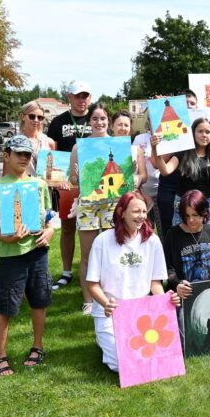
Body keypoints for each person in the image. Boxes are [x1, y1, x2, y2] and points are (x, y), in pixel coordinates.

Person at [0, 136, 54, 376]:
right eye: (18, 154)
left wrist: (50, 231)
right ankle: (0, 355)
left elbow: (50, 217)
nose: (24, 158)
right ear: (6, 155)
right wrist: (7, 238)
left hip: (38, 252)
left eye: (27, 155)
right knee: (6, 304)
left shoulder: (40, 184)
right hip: (11, 255)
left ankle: (38, 346)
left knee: (39, 299)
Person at [84, 192, 179, 372]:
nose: (142, 216)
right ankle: (108, 339)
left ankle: (119, 341)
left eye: (144, 211)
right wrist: (106, 304)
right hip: (110, 312)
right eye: (136, 211)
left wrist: (165, 299)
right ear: (122, 212)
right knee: (122, 365)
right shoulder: (102, 241)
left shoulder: (153, 241)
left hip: (141, 312)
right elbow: (92, 284)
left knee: (157, 358)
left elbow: (155, 284)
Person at [69, 103, 133, 315]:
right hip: (88, 205)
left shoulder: (119, 145)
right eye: (95, 119)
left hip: (113, 205)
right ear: (89, 122)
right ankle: (88, 299)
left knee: (112, 251)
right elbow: (73, 181)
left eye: (103, 119)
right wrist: (76, 176)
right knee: (88, 254)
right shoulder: (79, 148)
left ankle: (111, 294)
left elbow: (126, 177)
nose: (99, 123)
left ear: (108, 121)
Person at [46, 81, 92, 291]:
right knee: (67, 228)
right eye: (77, 96)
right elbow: (51, 153)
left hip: (92, 183)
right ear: (69, 98)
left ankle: (92, 270)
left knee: (94, 227)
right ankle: (66, 271)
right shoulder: (58, 122)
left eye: (85, 96)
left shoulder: (97, 119)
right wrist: (54, 180)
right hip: (66, 184)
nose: (81, 100)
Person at [151, 117, 210, 232]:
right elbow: (165, 171)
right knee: (182, 245)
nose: (204, 135)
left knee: (206, 247)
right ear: (192, 133)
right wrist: (155, 149)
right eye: (200, 131)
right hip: (183, 208)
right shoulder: (183, 153)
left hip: (206, 208)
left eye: (207, 132)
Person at [18, 101, 55, 177]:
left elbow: (52, 170)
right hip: (22, 187)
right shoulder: (14, 142)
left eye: (40, 117)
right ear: (23, 117)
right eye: (32, 116)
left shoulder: (49, 142)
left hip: (45, 187)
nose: (36, 120)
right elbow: (7, 174)